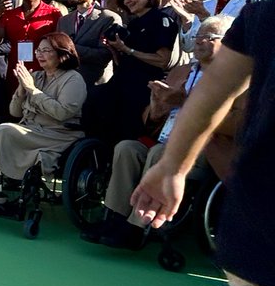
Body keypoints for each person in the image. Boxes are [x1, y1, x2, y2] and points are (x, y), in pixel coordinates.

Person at [131, 0, 273, 286]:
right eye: (202, 39)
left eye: (211, 38)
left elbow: (226, 103)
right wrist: (161, 104)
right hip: (260, 218)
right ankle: (124, 225)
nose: (201, 44)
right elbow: (160, 112)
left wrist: (176, 159)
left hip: (231, 176)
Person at [86, 15, 232, 249]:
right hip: (164, 137)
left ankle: (136, 227)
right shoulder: (181, 72)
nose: (199, 41)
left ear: (228, 42)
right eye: (197, 36)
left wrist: (184, 100)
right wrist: (157, 107)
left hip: (201, 148)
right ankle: (114, 217)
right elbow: (150, 121)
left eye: (208, 37)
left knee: (158, 154)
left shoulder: (233, 78)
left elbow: (232, 120)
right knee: (126, 148)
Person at [0, 32, 86, 184]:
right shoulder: (35, 76)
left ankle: (1, 181)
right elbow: (14, 112)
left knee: (3, 131)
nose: (40, 55)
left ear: (62, 53)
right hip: (32, 129)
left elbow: (62, 113)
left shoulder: (73, 79)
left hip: (58, 134)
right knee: (2, 130)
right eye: (38, 51)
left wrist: (33, 90)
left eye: (46, 51)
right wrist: (22, 90)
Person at [84, 0, 178, 144]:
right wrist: (115, 49)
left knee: (126, 128)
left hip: (142, 86)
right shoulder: (134, 24)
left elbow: (162, 60)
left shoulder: (161, 20)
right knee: (95, 101)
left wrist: (128, 50)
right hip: (122, 81)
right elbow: (126, 61)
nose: (127, 1)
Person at [0, 0, 62, 92]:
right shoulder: (9, 14)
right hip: (16, 70)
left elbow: (59, 45)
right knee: (14, 107)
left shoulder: (53, 14)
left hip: (42, 71)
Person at [57, 0, 120, 87]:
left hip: (96, 84)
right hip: (67, 85)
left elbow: (104, 55)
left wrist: (71, 48)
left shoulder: (108, 18)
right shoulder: (64, 21)